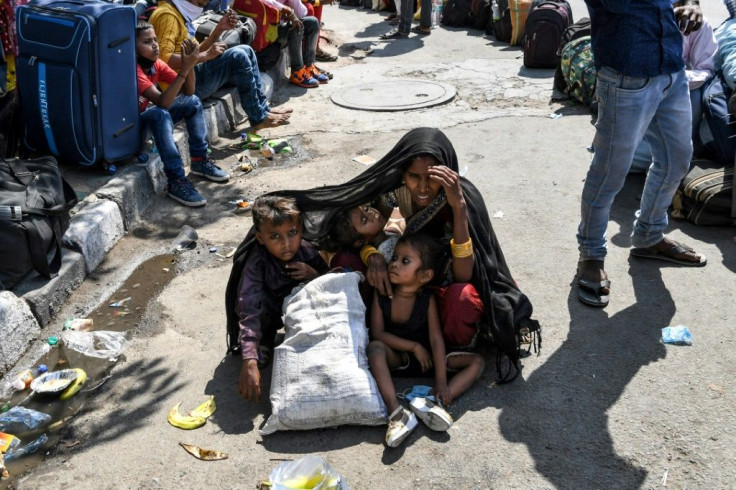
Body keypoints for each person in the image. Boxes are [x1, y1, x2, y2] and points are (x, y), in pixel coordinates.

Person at [225, 128, 539, 383]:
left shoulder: (460, 196)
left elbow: (463, 275)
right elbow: (364, 225)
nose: (423, 187)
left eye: (431, 176)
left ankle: (442, 352)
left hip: (438, 279)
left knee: (463, 299)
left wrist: (458, 210)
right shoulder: (395, 191)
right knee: (347, 264)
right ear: (403, 174)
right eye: (414, 177)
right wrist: (372, 253)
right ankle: (372, 337)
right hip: (403, 272)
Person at [576, 0, 707, 308]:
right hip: (626, 77)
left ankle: (649, 236)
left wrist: (691, 3)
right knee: (609, 171)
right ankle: (591, 254)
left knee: (677, 159)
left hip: (671, 69)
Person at [368, 234, 484, 447]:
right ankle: (396, 414)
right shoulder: (381, 294)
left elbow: (436, 339)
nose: (393, 263)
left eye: (405, 261)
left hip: (429, 360)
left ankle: (435, 402)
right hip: (399, 357)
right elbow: (377, 334)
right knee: (375, 349)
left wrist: (441, 381)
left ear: (425, 275)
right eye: (394, 257)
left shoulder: (427, 299)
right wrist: (413, 346)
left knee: (477, 362)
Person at [236, 195, 329, 402]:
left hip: (300, 314)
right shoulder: (257, 264)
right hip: (269, 311)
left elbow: (332, 282)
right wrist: (249, 359)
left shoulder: (307, 251)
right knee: (258, 307)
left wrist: (313, 275)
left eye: (292, 233)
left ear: (301, 231)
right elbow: (249, 307)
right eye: (275, 237)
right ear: (260, 238)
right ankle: (264, 342)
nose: (287, 244)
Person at [149, 0, 292, 131]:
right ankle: (258, 118)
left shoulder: (179, 14)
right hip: (180, 88)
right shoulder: (168, 16)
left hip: (191, 75)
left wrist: (219, 29)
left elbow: (196, 53)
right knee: (238, 56)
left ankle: (262, 109)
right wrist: (205, 56)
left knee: (246, 50)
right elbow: (162, 58)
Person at [136, 21, 228, 207]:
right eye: (147, 42)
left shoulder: (156, 64)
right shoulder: (133, 71)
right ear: (133, 48)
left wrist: (191, 62)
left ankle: (199, 160)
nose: (155, 45)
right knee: (160, 114)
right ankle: (176, 180)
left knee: (192, 102)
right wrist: (185, 69)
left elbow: (189, 92)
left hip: (151, 118)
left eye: (155, 40)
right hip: (134, 129)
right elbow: (162, 102)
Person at [631, 15, 718, 172]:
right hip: (640, 96)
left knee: (695, 94)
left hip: (679, 93)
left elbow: (705, 69)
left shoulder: (696, 23)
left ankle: (676, 151)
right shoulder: (636, 17)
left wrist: (673, 78)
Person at [260, 0, 330, 87]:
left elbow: (302, 13)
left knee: (313, 22)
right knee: (296, 27)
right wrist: (286, 9)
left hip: (278, 28)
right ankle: (297, 71)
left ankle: (309, 66)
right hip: (268, 31)